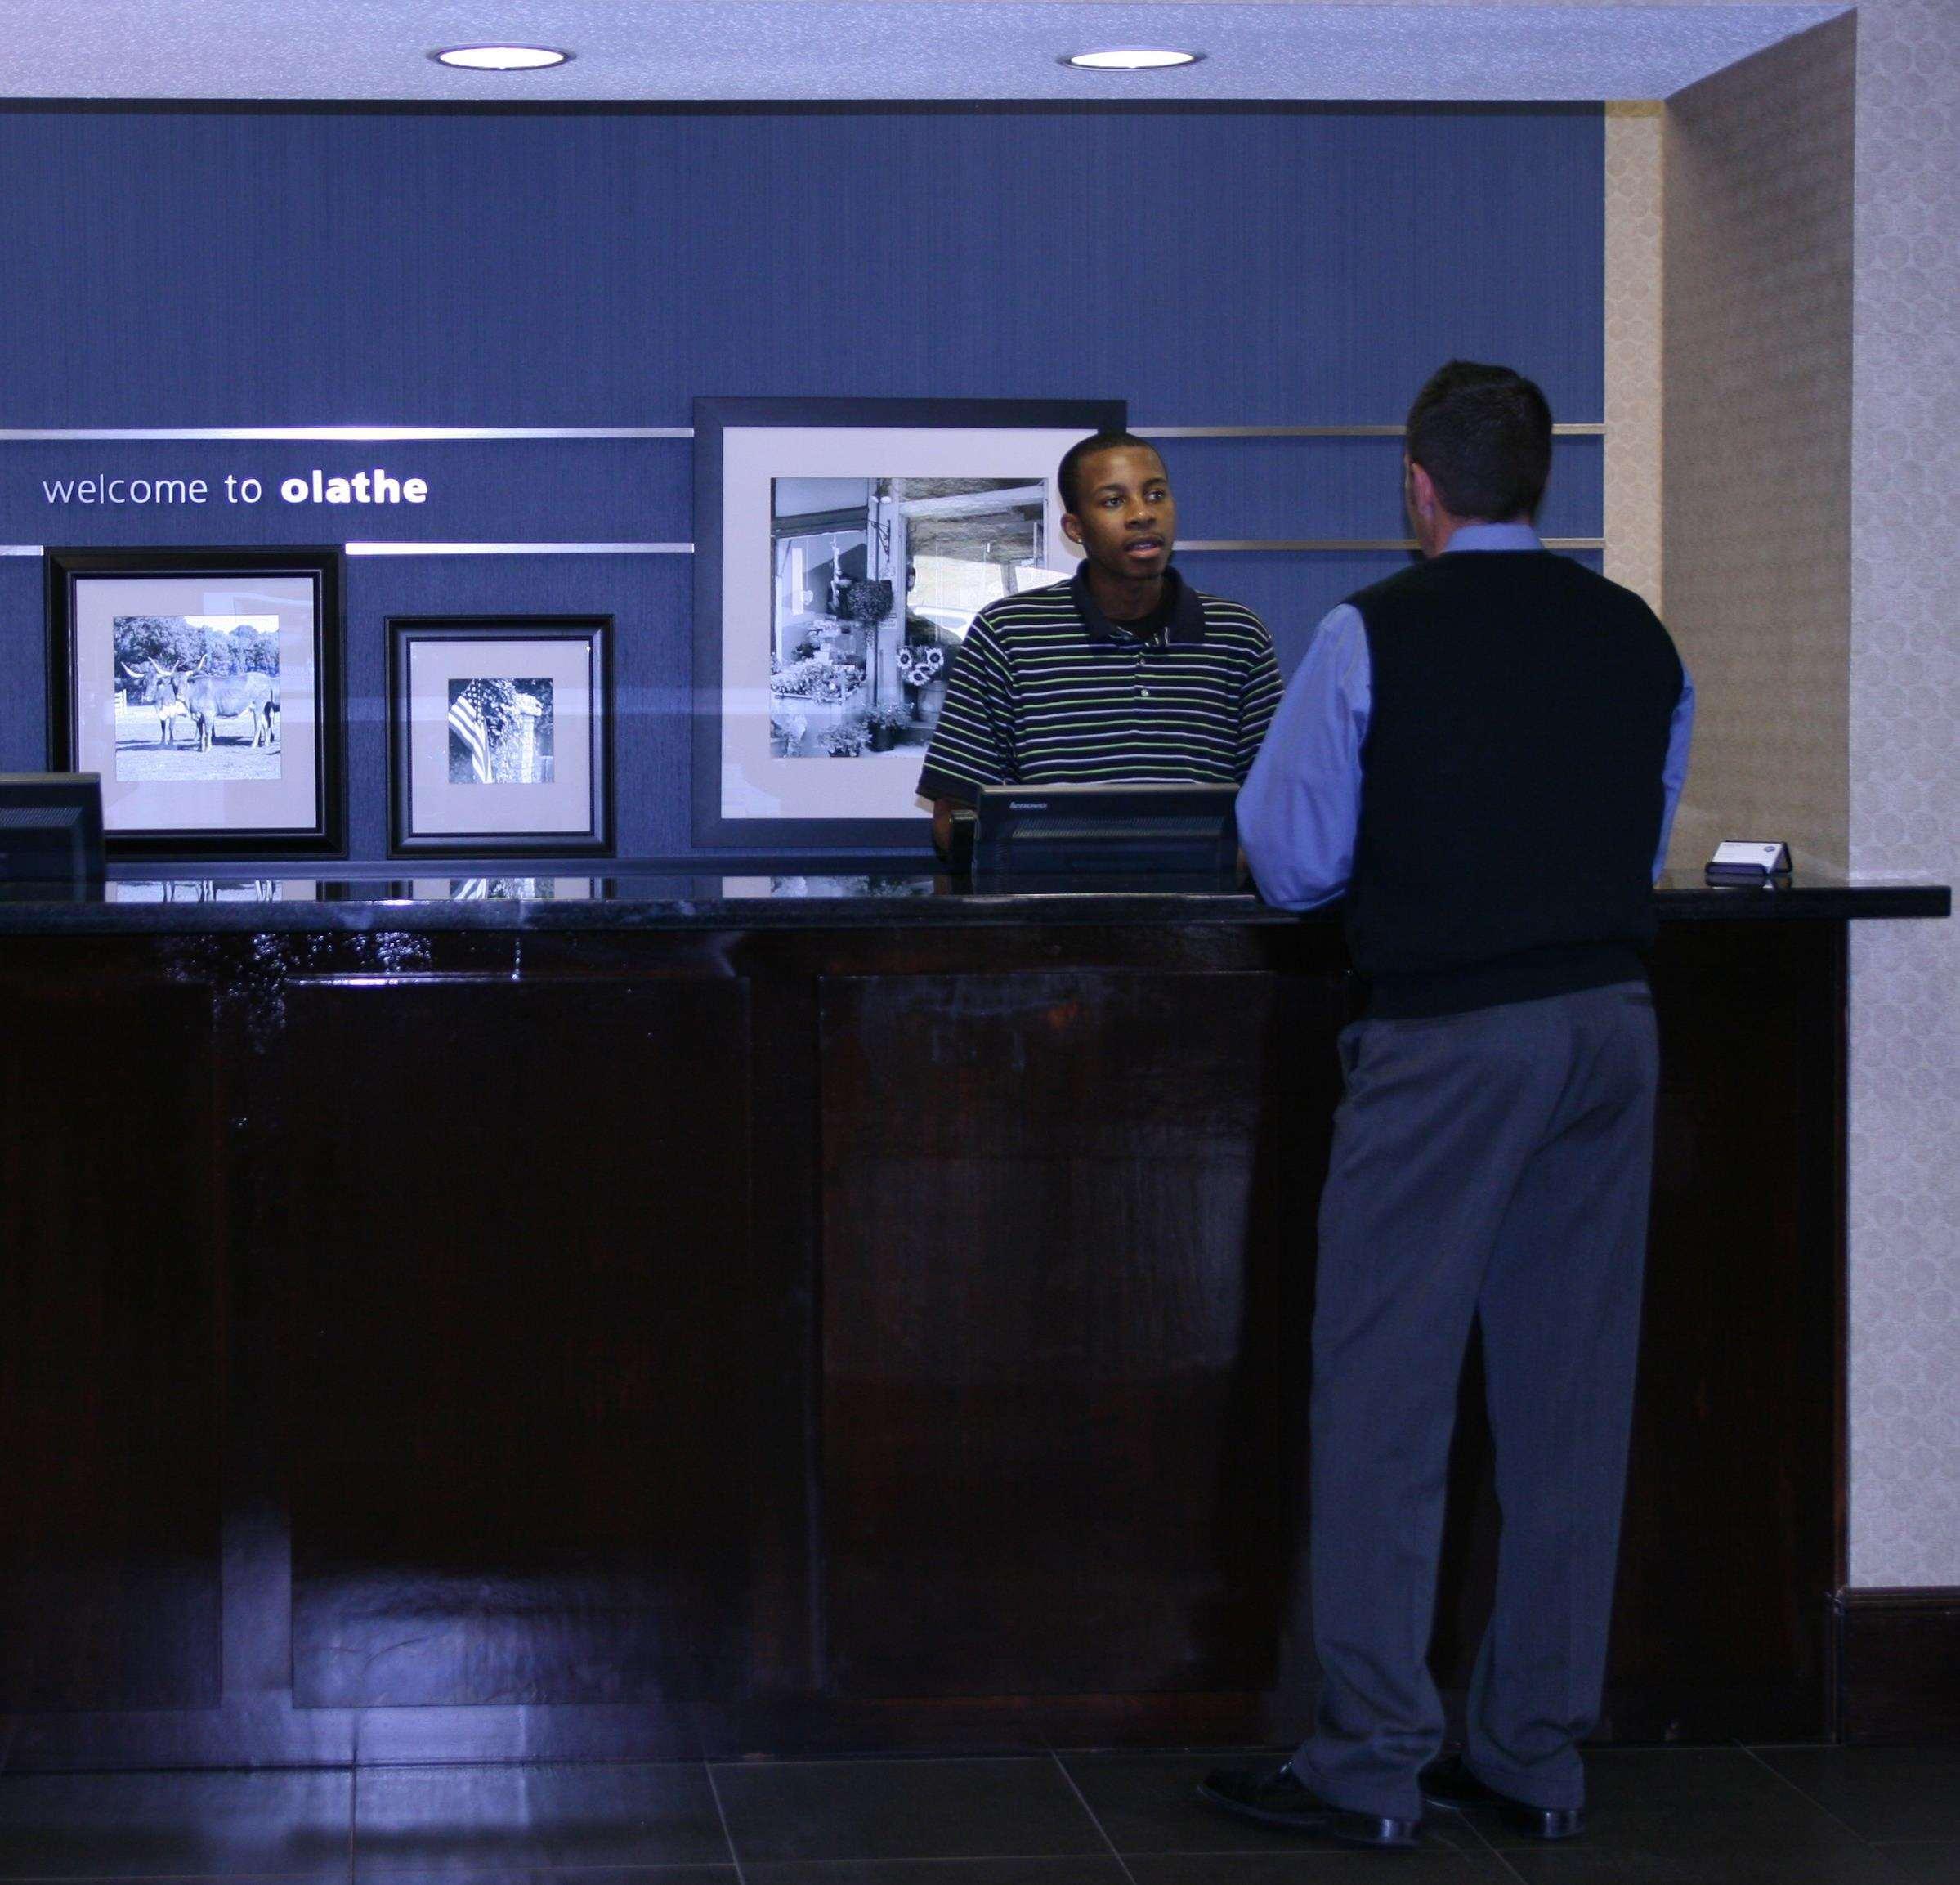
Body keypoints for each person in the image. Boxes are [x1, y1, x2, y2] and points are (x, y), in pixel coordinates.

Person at [1207, 362, 1694, 1851]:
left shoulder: (1371, 632)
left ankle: (1369, 1764)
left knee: (1385, 1394)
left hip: (1445, 1041)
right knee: (1567, 1403)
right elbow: (1643, 832)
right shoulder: (1637, 638)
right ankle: (1531, 1757)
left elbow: (1288, 863)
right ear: (1537, 480)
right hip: (1608, 1031)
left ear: (1416, 485)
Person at [917, 432, 1282, 850]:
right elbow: (957, 814)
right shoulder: (1007, 634)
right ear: (1075, 528)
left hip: (1199, 910)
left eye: (1156, 495)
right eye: (1114, 501)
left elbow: (1277, 801)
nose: (1142, 514)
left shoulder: (1237, 635)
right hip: (1053, 907)